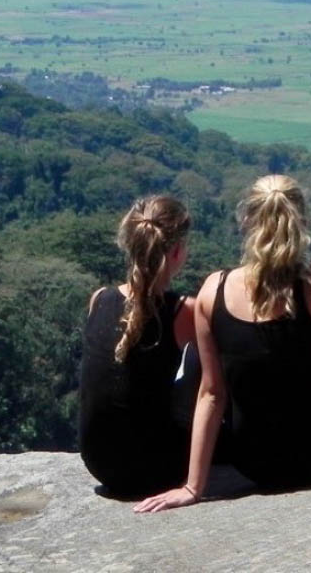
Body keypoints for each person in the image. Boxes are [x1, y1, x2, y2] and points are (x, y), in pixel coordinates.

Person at [134, 174, 311, 512]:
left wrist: (193, 486)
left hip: (254, 464)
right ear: (302, 221)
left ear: (247, 221)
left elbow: (212, 393)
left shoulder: (212, 291)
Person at [79, 195, 196, 498]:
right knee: (201, 358)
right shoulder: (183, 311)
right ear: (177, 252)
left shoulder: (99, 298)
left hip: (99, 463)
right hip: (156, 468)